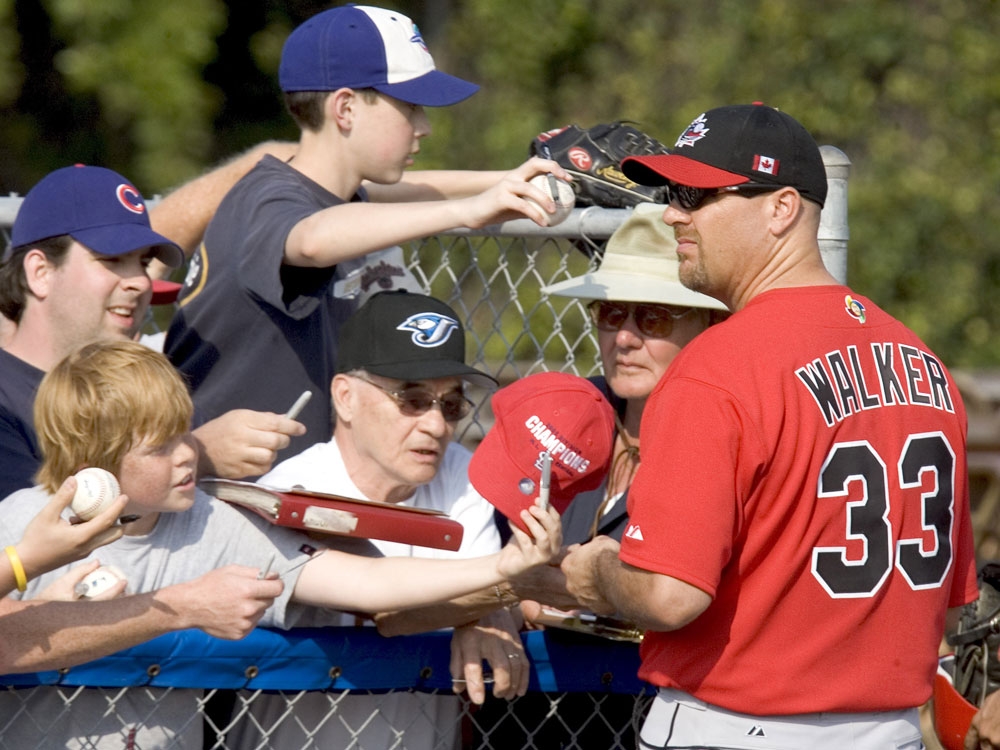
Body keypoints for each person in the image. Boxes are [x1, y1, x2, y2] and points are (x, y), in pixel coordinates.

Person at [560, 103, 977, 749]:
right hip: (891, 731)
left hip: (736, 727)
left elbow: (668, 596)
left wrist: (594, 574)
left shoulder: (717, 368)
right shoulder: (922, 361)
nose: (674, 212)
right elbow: (946, 593)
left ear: (782, 209)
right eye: (673, 193)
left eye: (696, 194)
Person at [0, 338, 561, 748]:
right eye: (160, 447)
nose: (188, 454)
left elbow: (368, 582)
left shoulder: (212, 521)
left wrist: (504, 568)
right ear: (91, 461)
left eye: (186, 433)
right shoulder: (25, 524)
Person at [164, 3, 573, 467]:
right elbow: (312, 241)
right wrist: (470, 211)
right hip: (214, 495)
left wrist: (517, 179)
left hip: (275, 494)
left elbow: (403, 191)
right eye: (410, 107)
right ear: (345, 108)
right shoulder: (268, 199)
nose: (425, 126)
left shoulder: (336, 194)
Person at [471, 202, 729, 750]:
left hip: (653, 719)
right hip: (523, 718)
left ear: (708, 324)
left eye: (653, 317)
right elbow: (481, 546)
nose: (625, 338)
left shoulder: (723, 444)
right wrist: (492, 606)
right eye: (611, 314)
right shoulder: (562, 416)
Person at [229, 289, 530, 749]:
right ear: (346, 398)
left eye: (450, 405)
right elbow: (394, 609)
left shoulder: (460, 475)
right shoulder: (291, 490)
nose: (435, 425)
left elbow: (483, 590)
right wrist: (490, 599)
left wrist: (490, 607)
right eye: (412, 399)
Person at [0, 163, 306, 499]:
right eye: (113, 259)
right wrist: (199, 456)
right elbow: (25, 532)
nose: (139, 282)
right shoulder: (6, 397)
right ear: (40, 272)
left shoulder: (152, 386)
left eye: (143, 262)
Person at [0, 476, 283, 674]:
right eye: (159, 446)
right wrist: (26, 560)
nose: (186, 452)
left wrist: (38, 605)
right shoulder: (19, 512)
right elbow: (7, 638)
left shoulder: (203, 512)